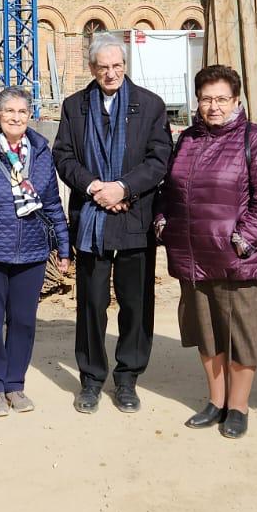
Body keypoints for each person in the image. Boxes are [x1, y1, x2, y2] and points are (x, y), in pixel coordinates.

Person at [155, 65, 257, 438]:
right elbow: (170, 188)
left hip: (236, 258)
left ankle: (238, 406)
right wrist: (164, 221)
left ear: (236, 100)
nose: (213, 106)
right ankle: (216, 400)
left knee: (241, 335)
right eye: (206, 99)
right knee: (207, 333)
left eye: (221, 99)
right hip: (193, 255)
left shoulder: (255, 139)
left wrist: (243, 240)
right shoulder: (188, 139)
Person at [52, 33, 172, 414]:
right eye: (103, 67)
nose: (110, 73)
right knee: (91, 302)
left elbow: (159, 159)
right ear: (91, 68)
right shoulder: (75, 107)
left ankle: (127, 378)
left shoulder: (150, 105)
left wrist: (123, 189)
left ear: (125, 66)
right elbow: (64, 155)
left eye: (117, 66)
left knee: (136, 304)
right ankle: (90, 379)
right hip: (92, 218)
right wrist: (94, 187)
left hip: (135, 215)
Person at [0, 87, 71, 416]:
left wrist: (63, 247)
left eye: (21, 112)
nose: (15, 117)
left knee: (24, 321)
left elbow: (52, 203)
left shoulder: (41, 153)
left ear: (30, 116)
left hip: (32, 251)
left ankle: (15, 384)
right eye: (8, 111)